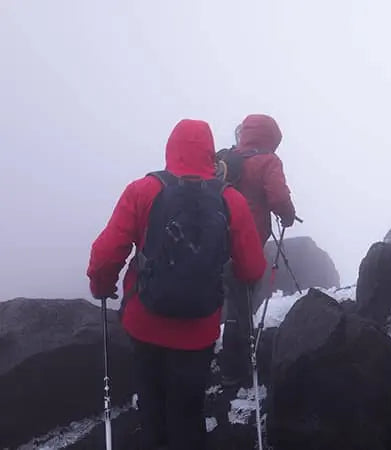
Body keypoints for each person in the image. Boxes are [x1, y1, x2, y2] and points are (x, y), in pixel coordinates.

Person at [87, 119, 267, 450]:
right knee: (187, 408)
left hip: (145, 322)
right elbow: (253, 267)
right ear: (211, 154)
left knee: (152, 403)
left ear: (170, 148)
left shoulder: (143, 190)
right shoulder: (231, 200)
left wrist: (101, 285)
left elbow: (105, 252)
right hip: (198, 330)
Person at [219, 113, 297, 386]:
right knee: (243, 300)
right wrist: (287, 216)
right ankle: (236, 365)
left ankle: (217, 359)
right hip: (248, 239)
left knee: (226, 296)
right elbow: (278, 197)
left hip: (217, 238)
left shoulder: (228, 160)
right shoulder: (268, 160)